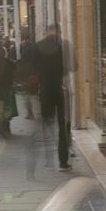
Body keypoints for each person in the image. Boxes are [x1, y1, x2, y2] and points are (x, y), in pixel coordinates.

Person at [32, 25, 72, 172]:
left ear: (46, 32)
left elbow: (33, 68)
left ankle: (49, 160)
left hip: (44, 90)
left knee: (47, 124)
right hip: (60, 89)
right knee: (62, 124)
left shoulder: (37, 47)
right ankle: (63, 161)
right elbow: (73, 66)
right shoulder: (64, 46)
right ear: (59, 32)